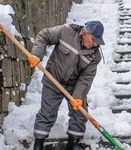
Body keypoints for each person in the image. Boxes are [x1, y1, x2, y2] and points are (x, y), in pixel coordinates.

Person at [28, 21, 105, 150]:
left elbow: (86, 78)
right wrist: (36, 54)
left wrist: (78, 96)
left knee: (80, 113)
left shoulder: (95, 55)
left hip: (74, 86)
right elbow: (44, 36)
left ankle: (73, 143)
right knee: (47, 112)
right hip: (53, 79)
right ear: (85, 33)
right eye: (93, 39)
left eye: (97, 41)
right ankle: (38, 143)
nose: (94, 44)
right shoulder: (66, 32)